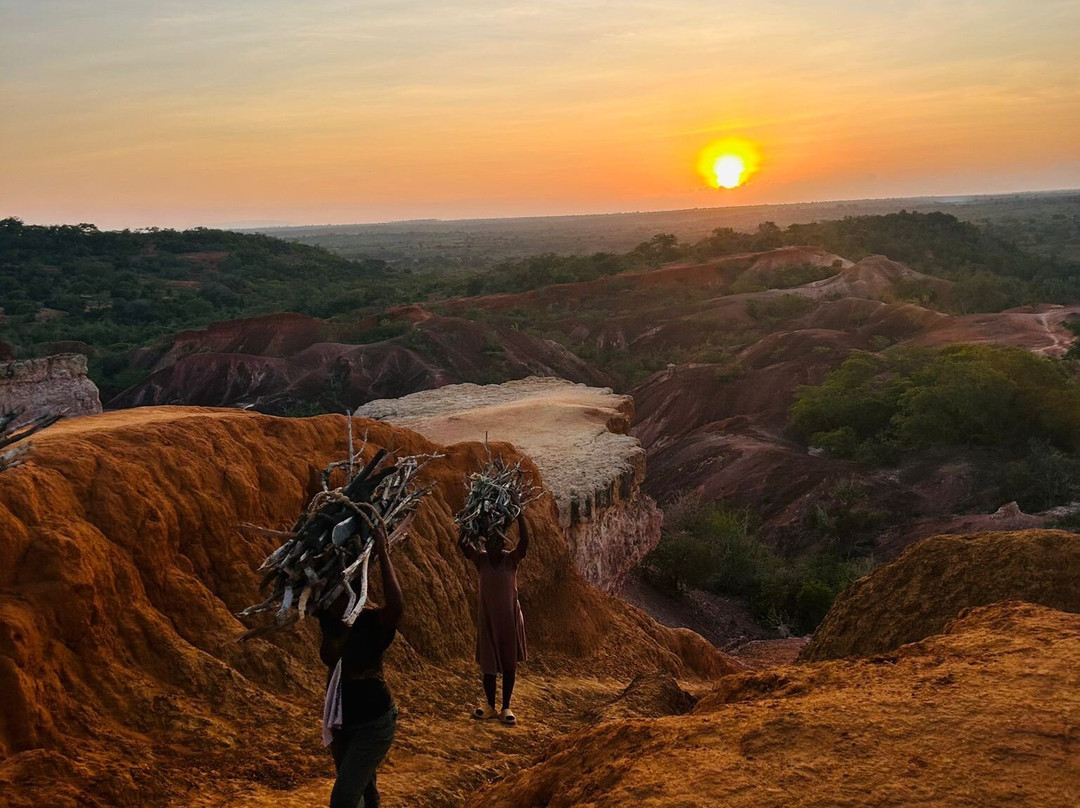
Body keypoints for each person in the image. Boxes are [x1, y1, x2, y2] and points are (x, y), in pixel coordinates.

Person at [318, 523, 403, 808]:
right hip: (341, 721)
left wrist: (383, 552)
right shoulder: (329, 621)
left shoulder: (369, 623)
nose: (330, 597)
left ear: (352, 593)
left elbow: (396, 606)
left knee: (344, 798)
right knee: (364, 792)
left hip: (373, 725)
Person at [458, 489, 529, 726]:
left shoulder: (511, 560)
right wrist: (468, 518)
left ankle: (506, 706)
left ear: (503, 542)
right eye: (489, 541)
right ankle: (490, 705)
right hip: (487, 619)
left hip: (509, 619)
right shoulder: (481, 560)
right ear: (485, 543)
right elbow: (463, 544)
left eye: (497, 541)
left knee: (509, 664)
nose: (493, 545)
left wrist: (519, 512)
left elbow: (525, 542)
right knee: (488, 666)